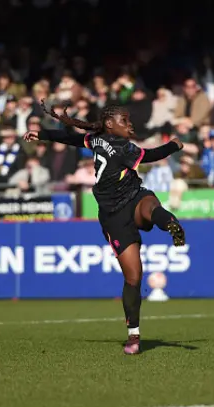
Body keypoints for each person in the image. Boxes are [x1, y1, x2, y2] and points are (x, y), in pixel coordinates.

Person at [23, 101, 185, 355]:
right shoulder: (124, 148)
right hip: (114, 216)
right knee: (134, 276)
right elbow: (152, 155)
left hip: (130, 197)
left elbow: (72, 139)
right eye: (125, 120)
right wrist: (175, 145)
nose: (129, 124)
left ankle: (170, 224)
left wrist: (42, 134)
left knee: (148, 204)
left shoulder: (97, 140)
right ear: (110, 124)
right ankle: (134, 333)